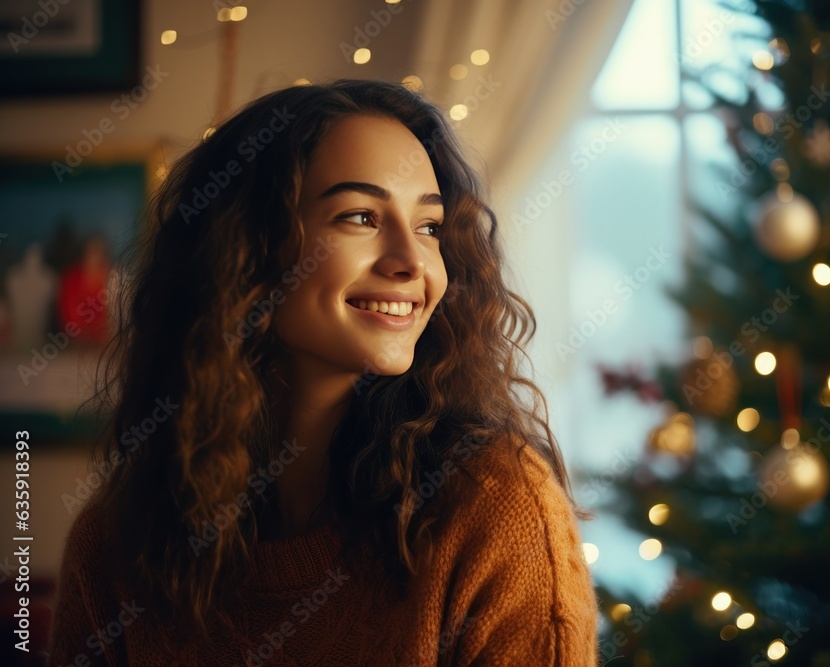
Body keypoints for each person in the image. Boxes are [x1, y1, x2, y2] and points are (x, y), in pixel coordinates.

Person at [47, 78, 600, 666]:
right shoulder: (117, 539)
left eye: (430, 227)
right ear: (248, 251)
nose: (412, 262)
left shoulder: (495, 512)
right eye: (361, 216)